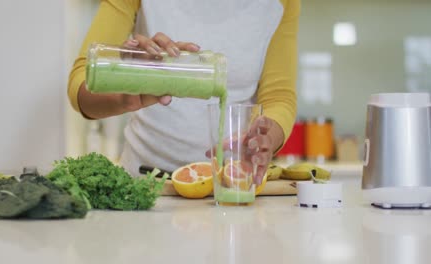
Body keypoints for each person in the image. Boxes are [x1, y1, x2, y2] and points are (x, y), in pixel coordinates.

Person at [68, 0, 299, 185]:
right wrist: (128, 92)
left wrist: (269, 135)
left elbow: (279, 96)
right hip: (146, 184)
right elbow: (81, 84)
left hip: (229, 184)